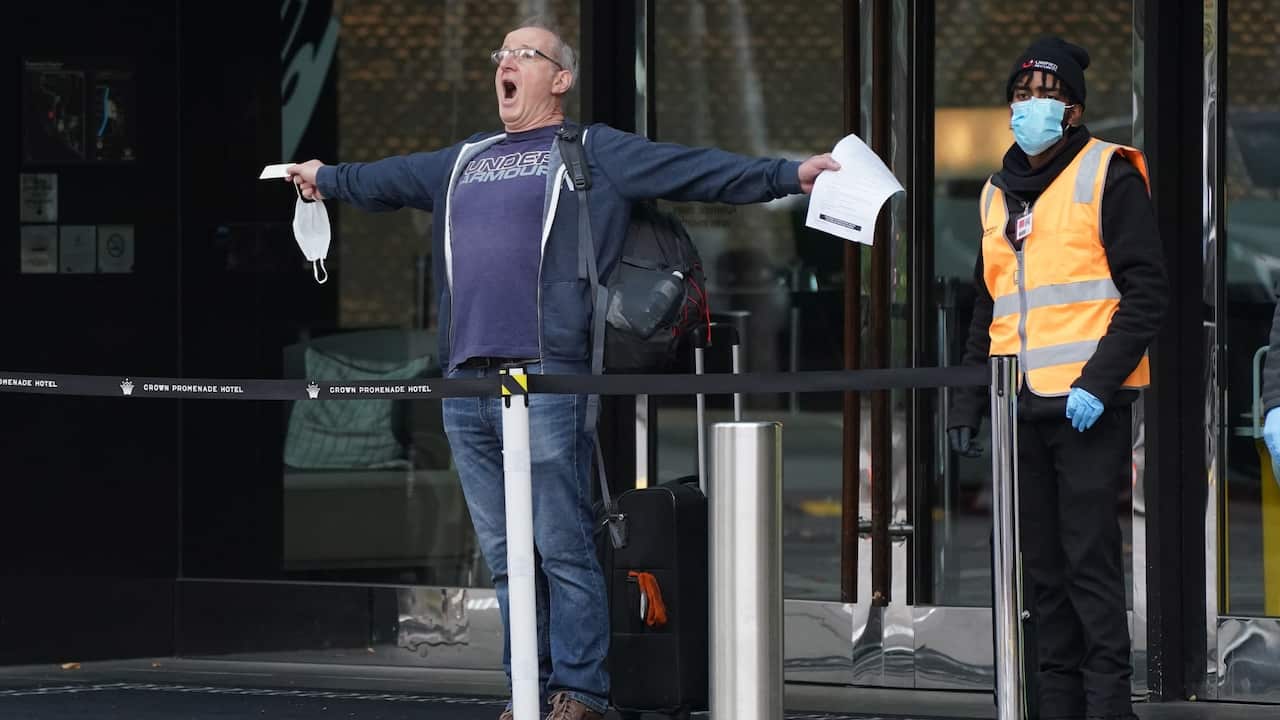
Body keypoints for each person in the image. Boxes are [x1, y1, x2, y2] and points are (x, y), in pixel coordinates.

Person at [287, 18, 839, 720]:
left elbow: (695, 168)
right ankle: (528, 689)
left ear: (561, 78)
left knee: (562, 547)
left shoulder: (592, 152)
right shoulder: (465, 158)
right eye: (502, 53)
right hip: (467, 384)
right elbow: (386, 178)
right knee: (505, 556)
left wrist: (788, 174)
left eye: (525, 54)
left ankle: (581, 692)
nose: (506, 63)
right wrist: (324, 179)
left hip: (546, 379)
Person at [947, 37, 1167, 720]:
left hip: (1085, 407)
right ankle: (1057, 706)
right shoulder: (996, 192)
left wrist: (1098, 383)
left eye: (1046, 96)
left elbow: (1147, 294)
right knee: (1041, 571)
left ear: (1074, 110)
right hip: (1018, 407)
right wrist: (967, 405)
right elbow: (987, 304)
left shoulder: (1108, 174)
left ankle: (1108, 708)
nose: (1031, 107)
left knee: (1088, 565)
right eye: (1022, 95)